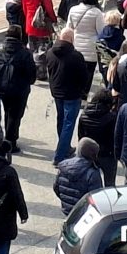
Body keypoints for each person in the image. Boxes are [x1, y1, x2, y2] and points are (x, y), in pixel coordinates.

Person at [46, 28, 87, 165]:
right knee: (68, 124)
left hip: (57, 92)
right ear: (70, 39)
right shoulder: (76, 56)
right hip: (72, 94)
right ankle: (59, 156)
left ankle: (65, 146)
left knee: (61, 120)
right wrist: (83, 92)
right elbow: (83, 77)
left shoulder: (50, 53)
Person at [0, 25, 36, 152]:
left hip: (2, 88)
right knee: (15, 115)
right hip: (19, 90)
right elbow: (31, 74)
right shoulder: (25, 53)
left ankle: (9, 137)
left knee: (8, 112)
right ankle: (10, 141)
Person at [19, 0, 57, 80]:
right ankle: (41, 73)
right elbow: (48, 7)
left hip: (30, 23)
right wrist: (53, 19)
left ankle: (32, 72)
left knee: (32, 48)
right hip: (42, 24)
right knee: (44, 50)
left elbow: (25, 8)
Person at [67, 0, 105, 99]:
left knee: (76, 72)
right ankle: (83, 95)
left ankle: (75, 92)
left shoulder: (73, 10)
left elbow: (69, 27)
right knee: (88, 73)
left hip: (76, 46)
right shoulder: (96, 13)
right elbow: (101, 31)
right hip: (91, 49)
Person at [77, 88, 117, 188]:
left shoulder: (84, 115)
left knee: (89, 182)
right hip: (107, 155)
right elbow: (114, 138)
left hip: (89, 153)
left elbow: (81, 137)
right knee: (110, 184)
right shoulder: (111, 118)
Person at [54, 137, 103, 215]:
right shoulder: (92, 173)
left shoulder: (64, 166)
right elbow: (96, 198)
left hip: (67, 211)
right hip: (84, 213)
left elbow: (56, 188)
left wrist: (66, 201)